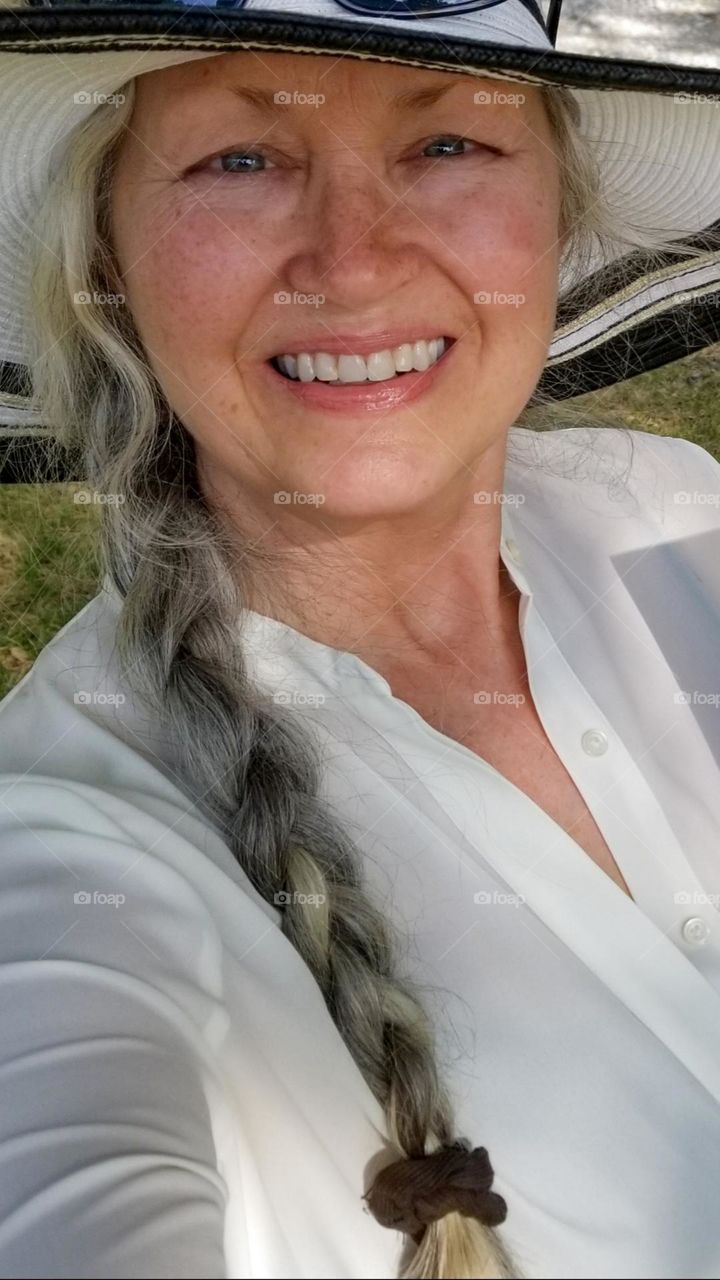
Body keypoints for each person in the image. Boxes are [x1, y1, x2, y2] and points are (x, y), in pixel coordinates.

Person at [0, 1, 719, 1277]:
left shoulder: (669, 512)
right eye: (240, 159)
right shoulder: (64, 839)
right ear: (104, 252)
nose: (353, 258)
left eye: (447, 146)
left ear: (560, 209)